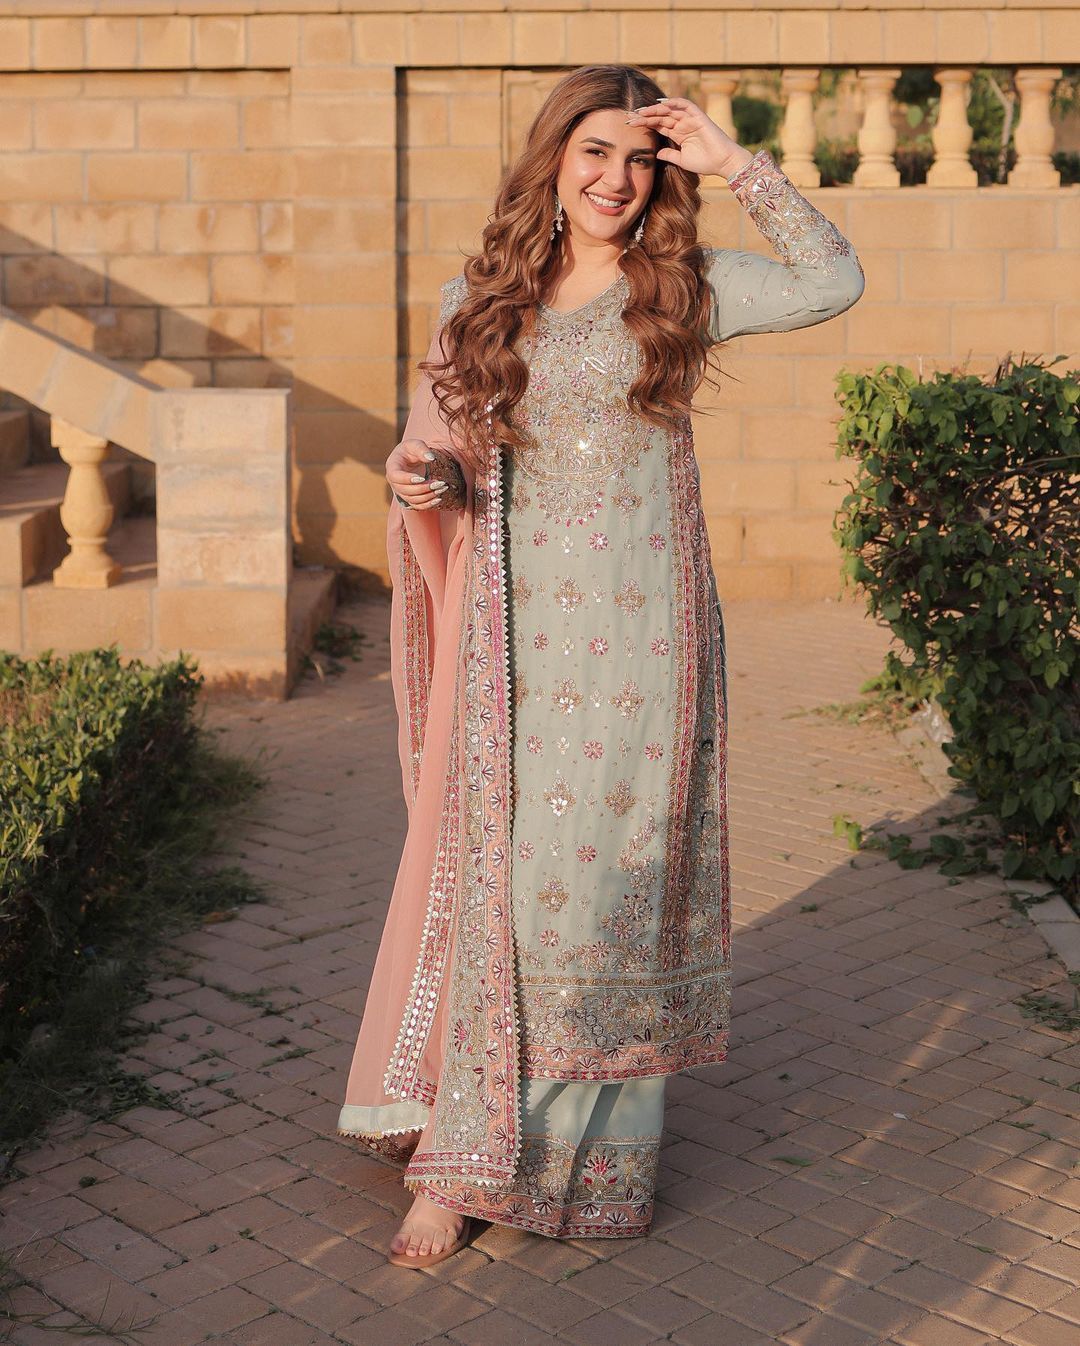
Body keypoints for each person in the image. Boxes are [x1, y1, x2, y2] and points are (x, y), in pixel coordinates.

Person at [337, 63, 864, 1266]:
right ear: (553, 160)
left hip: (644, 645)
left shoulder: (681, 289)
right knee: (512, 890)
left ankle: (591, 1156)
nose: (616, 179)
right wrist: (426, 477)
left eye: (638, 157)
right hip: (513, 644)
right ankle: (466, 1155)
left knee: (607, 899)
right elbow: (449, 452)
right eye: (594, 152)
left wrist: (735, 163)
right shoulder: (480, 299)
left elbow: (834, 279)